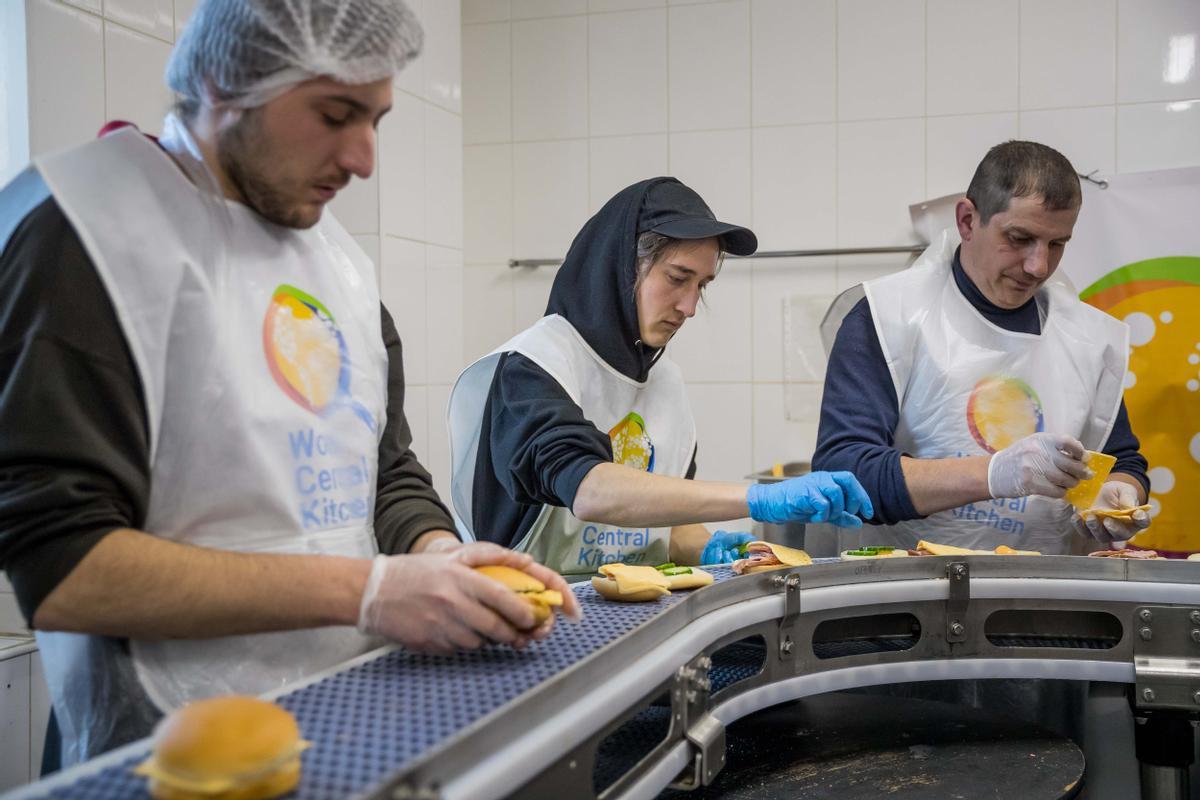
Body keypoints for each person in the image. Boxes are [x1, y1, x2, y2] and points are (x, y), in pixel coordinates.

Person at [0, 0, 577, 767]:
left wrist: (439, 557)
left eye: (376, 118)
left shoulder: (338, 266)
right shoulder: (88, 234)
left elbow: (384, 471)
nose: (365, 157)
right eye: (336, 114)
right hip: (164, 748)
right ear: (225, 81)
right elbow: (66, 565)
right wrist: (372, 592)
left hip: (346, 718)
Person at [448, 178, 873, 577]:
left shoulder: (664, 382)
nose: (689, 307)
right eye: (677, 278)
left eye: (702, 285)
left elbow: (670, 530)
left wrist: (708, 547)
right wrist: (757, 499)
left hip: (635, 621)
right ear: (620, 266)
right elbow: (589, 488)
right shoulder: (535, 366)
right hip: (535, 617)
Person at [813, 141, 1150, 555]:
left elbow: (1122, 461)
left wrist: (1117, 493)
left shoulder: (1089, 339)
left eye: (1057, 244)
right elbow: (843, 474)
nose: (1038, 266)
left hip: (1049, 600)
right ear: (968, 220)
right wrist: (995, 474)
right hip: (908, 599)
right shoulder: (887, 317)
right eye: (1020, 238)